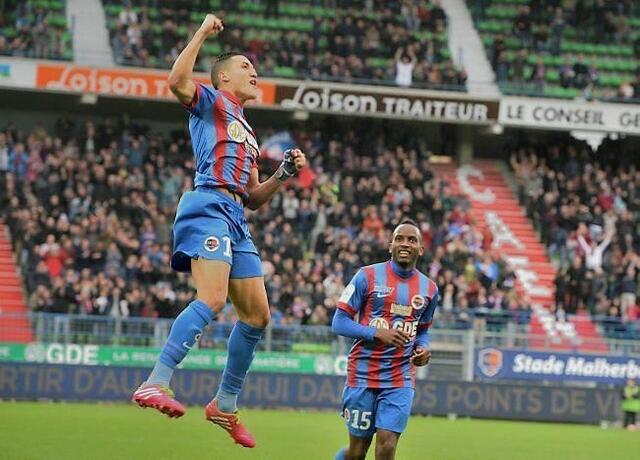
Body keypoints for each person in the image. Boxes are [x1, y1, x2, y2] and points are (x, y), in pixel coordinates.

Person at [131, 13, 306, 449]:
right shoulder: (210, 101)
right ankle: (156, 380)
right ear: (224, 76)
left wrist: (282, 173)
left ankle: (224, 405)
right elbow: (175, 81)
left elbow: (253, 197)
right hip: (208, 204)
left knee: (257, 316)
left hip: (235, 216)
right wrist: (203, 33)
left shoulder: (246, 129)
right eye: (246, 67)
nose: (255, 73)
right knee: (211, 298)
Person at [332, 220, 439, 460]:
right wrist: (377, 333)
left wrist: (424, 348)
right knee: (357, 452)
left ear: (420, 249)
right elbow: (339, 322)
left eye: (412, 240)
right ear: (390, 245)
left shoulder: (429, 289)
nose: (405, 243)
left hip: (400, 377)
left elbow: (423, 330)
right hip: (362, 374)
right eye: (400, 238)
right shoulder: (367, 276)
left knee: (387, 446)